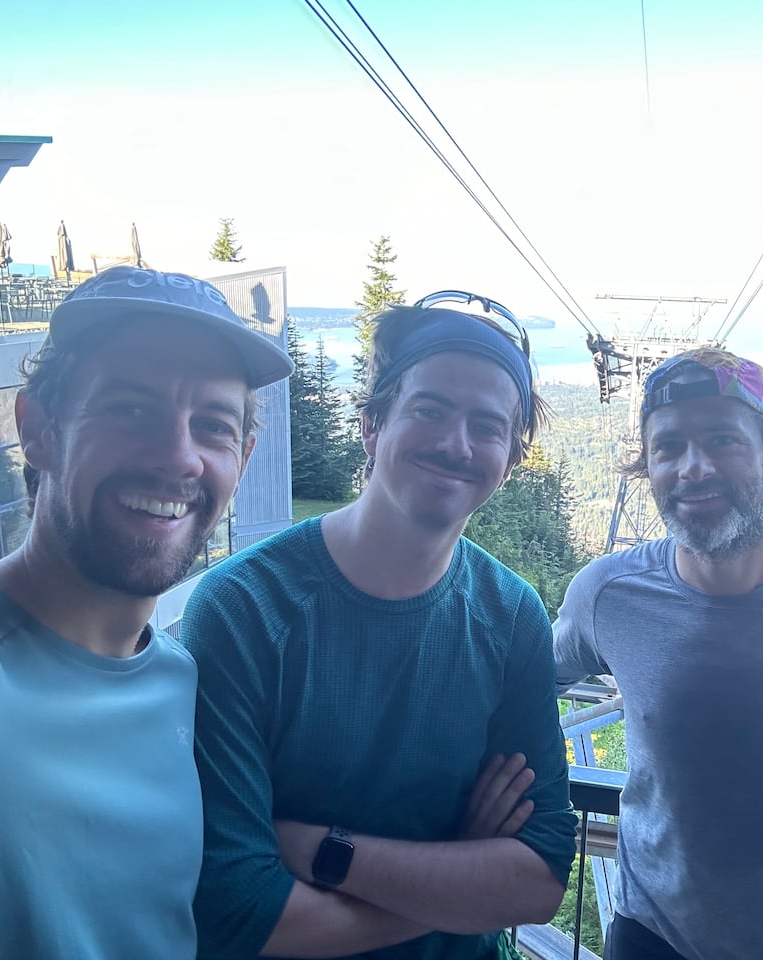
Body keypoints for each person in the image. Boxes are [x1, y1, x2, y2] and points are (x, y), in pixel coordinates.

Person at [0, 266, 293, 959]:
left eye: (212, 427)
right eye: (131, 409)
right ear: (37, 429)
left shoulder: (177, 679)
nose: (177, 455)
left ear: (241, 460)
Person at [184, 291, 577, 960]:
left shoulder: (510, 615)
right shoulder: (244, 610)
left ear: (510, 459)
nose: (457, 443)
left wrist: (323, 851)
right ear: (372, 426)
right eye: (430, 410)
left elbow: (539, 876)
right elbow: (243, 911)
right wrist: (460, 875)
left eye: (487, 426)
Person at [553, 347, 763, 960]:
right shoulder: (608, 595)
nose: (693, 467)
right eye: (668, 447)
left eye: (722, 440)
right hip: (651, 935)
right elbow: (528, 684)